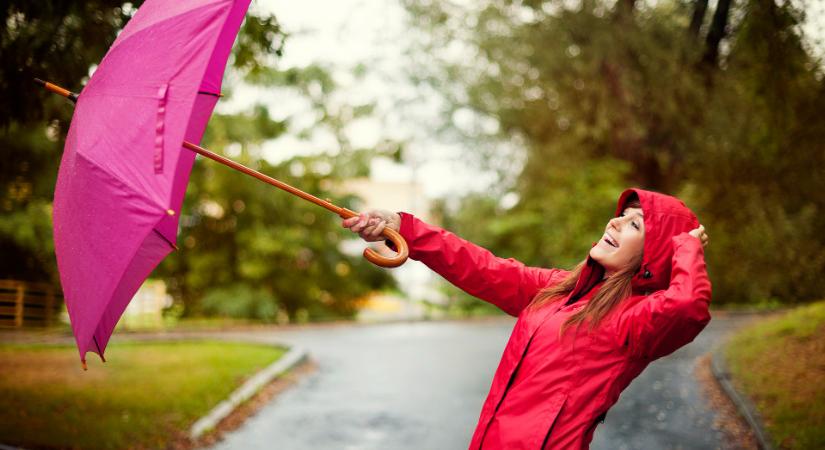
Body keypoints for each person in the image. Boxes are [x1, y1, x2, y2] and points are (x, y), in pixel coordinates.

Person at [342, 188, 711, 449]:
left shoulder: (636, 320)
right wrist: (404, 227)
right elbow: (481, 266)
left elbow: (687, 306)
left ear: (656, 254)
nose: (614, 223)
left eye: (635, 224)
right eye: (620, 216)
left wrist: (686, 246)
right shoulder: (557, 289)